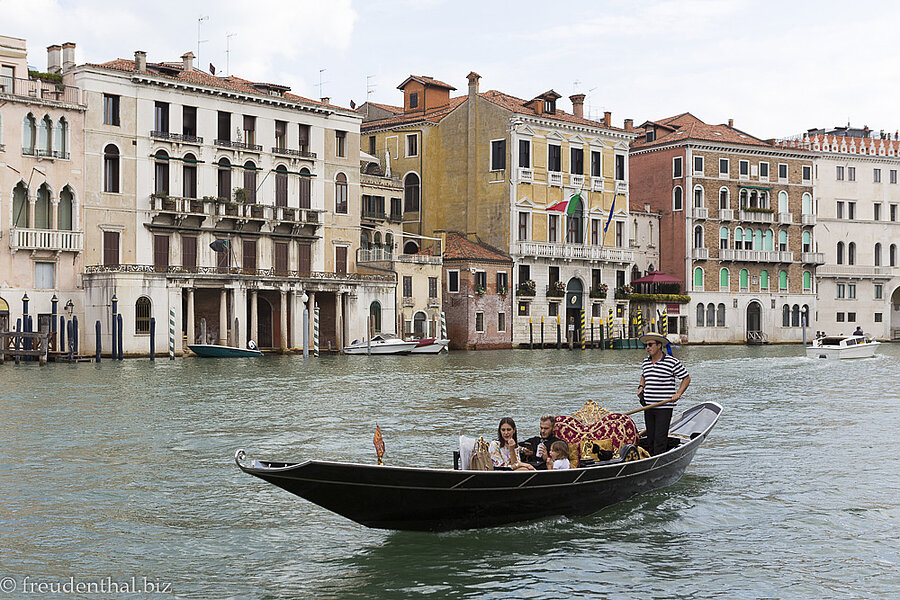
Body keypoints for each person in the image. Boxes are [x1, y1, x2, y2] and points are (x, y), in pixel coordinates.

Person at [637, 333, 691, 456]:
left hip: (664, 407)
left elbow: (686, 378)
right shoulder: (646, 362)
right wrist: (641, 387)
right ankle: (649, 459)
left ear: (659, 345)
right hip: (648, 406)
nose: (648, 347)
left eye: (650, 345)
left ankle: (657, 461)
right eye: (646, 345)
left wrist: (678, 393)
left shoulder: (672, 362)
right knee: (650, 438)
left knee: (660, 439)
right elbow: (643, 375)